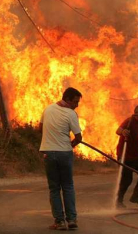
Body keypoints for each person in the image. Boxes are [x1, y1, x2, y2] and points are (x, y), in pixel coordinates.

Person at [39, 87, 83, 230]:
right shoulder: (71, 114)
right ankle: (71, 219)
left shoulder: (48, 109)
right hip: (65, 153)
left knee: (54, 188)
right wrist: (71, 144)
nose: (77, 105)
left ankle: (59, 221)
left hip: (49, 153)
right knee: (68, 186)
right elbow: (79, 138)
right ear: (68, 99)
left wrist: (51, 136)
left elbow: (39, 128)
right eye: (76, 102)